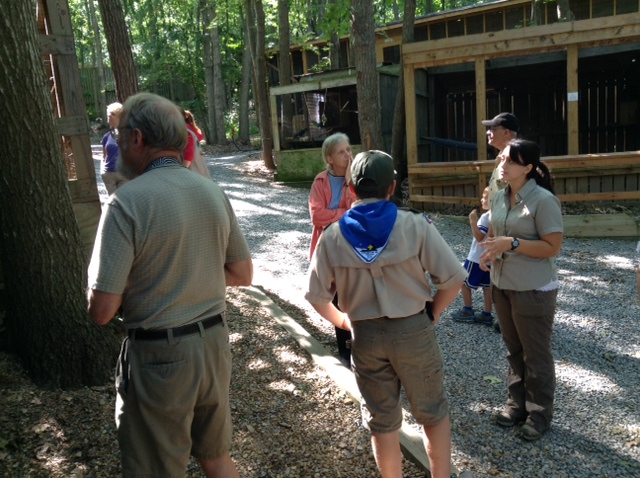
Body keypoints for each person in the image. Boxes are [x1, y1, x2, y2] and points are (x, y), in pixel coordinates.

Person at [87, 92, 253, 477]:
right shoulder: (212, 192)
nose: (117, 143)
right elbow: (243, 274)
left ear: (138, 138)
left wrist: (155, 282)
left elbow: (102, 311)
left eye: (120, 135)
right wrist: (191, 275)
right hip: (213, 347)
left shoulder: (126, 203)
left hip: (159, 357)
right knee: (216, 456)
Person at [305, 150, 467, 478]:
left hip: (365, 337)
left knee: (382, 422)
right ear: (392, 187)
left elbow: (316, 297)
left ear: (351, 188)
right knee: (433, 413)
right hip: (414, 331)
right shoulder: (415, 225)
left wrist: (344, 322)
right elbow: (453, 280)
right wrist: (433, 313)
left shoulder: (333, 235)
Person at [479, 139, 563, 442]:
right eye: (501, 158)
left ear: (528, 167)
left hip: (533, 288)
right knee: (514, 350)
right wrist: (488, 254)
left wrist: (512, 243)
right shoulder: (499, 197)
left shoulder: (544, 200)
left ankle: (539, 415)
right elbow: (493, 235)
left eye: (510, 161)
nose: (502, 165)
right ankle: (517, 406)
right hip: (502, 285)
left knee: (535, 354)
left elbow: (552, 247)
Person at [308, 132, 356, 367]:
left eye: (349, 150)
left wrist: (350, 181)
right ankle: (344, 354)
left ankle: (360, 348)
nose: (347, 155)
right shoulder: (320, 181)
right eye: (341, 152)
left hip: (352, 249)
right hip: (328, 249)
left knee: (353, 297)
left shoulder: (356, 179)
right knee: (335, 299)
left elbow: (358, 211)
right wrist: (344, 213)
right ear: (329, 158)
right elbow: (317, 216)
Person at [451, 186, 495, 327]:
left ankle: (467, 310)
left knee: (463, 282)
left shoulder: (486, 217)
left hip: (476, 258)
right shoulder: (497, 216)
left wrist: (472, 221)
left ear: (493, 200)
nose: (482, 199)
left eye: (485, 197)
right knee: (487, 287)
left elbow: (479, 237)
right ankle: (487, 314)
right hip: (489, 259)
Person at [481, 112, 520, 205]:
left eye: (493, 129)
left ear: (506, 132)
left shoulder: (518, 159)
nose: (487, 132)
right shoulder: (501, 157)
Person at [100, 102, 128, 194]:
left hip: (123, 174)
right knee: (113, 200)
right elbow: (104, 156)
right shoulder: (106, 136)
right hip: (109, 175)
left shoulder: (129, 135)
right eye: (109, 114)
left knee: (123, 199)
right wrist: (103, 171)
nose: (109, 116)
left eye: (113, 114)